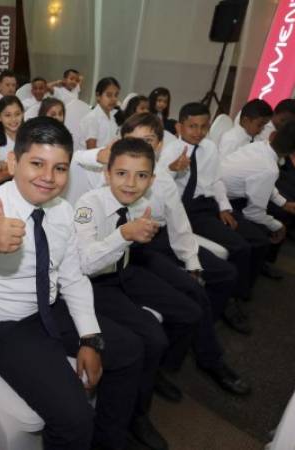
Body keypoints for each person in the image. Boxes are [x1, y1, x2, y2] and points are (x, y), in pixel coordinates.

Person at [0, 117, 151, 450]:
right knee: (73, 419)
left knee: (129, 350)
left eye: (60, 168)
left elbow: (73, 276)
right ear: (13, 162)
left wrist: (90, 338)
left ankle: (108, 440)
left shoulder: (60, 211)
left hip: (49, 308)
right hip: (5, 328)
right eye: (37, 164)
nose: (48, 177)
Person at [74, 137, 204, 450]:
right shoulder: (88, 205)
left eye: (141, 176)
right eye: (122, 174)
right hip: (88, 285)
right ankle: (118, 426)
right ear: (107, 174)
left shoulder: (138, 204)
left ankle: (139, 410)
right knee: (143, 342)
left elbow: (168, 226)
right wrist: (123, 234)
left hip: (121, 274)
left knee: (163, 333)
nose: (131, 183)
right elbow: (84, 263)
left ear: (151, 180)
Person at [118, 114, 251, 396]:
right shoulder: (109, 173)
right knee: (192, 295)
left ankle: (197, 343)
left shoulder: (162, 178)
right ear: (121, 141)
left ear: (158, 145)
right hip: (132, 249)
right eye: (134, 141)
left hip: (161, 239)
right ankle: (206, 359)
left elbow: (179, 223)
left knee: (222, 274)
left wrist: (192, 262)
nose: (142, 148)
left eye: (149, 141)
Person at [158, 102, 269, 320]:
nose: (198, 132)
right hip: (187, 209)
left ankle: (242, 290)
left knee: (259, 237)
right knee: (240, 247)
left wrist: (224, 207)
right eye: (192, 126)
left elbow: (216, 180)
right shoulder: (169, 152)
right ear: (180, 127)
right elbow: (160, 188)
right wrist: (172, 169)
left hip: (210, 204)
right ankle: (233, 300)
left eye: (203, 126)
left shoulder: (209, 147)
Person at [221, 120, 295, 277]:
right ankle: (241, 290)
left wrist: (283, 203)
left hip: (227, 194)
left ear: (274, 135)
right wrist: (278, 227)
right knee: (260, 239)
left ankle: (258, 264)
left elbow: (263, 181)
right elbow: (253, 213)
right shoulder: (270, 168)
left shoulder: (260, 146)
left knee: (272, 219)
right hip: (220, 201)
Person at [0, 95, 23, 185]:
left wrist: (7, 167)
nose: (13, 119)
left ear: (23, 114)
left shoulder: (29, 137)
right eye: (7, 115)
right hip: (2, 187)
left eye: (17, 114)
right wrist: (22, 164)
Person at [79, 77, 121, 149]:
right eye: (109, 95)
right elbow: (91, 151)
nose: (114, 99)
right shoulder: (92, 119)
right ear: (98, 96)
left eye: (116, 95)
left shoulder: (113, 117)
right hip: (94, 159)